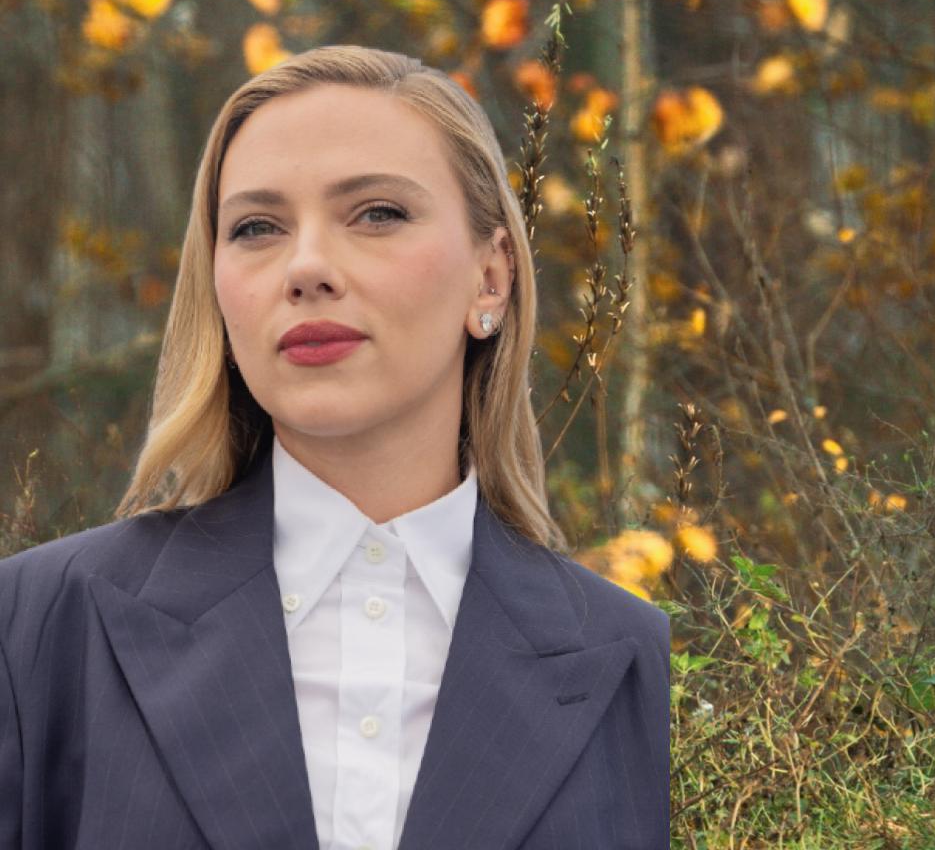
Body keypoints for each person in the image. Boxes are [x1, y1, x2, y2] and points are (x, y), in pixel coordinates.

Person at [0, 46, 670, 849]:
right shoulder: (36, 629)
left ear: (491, 277)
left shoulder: (636, 662)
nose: (307, 266)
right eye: (255, 227)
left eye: (377, 213)